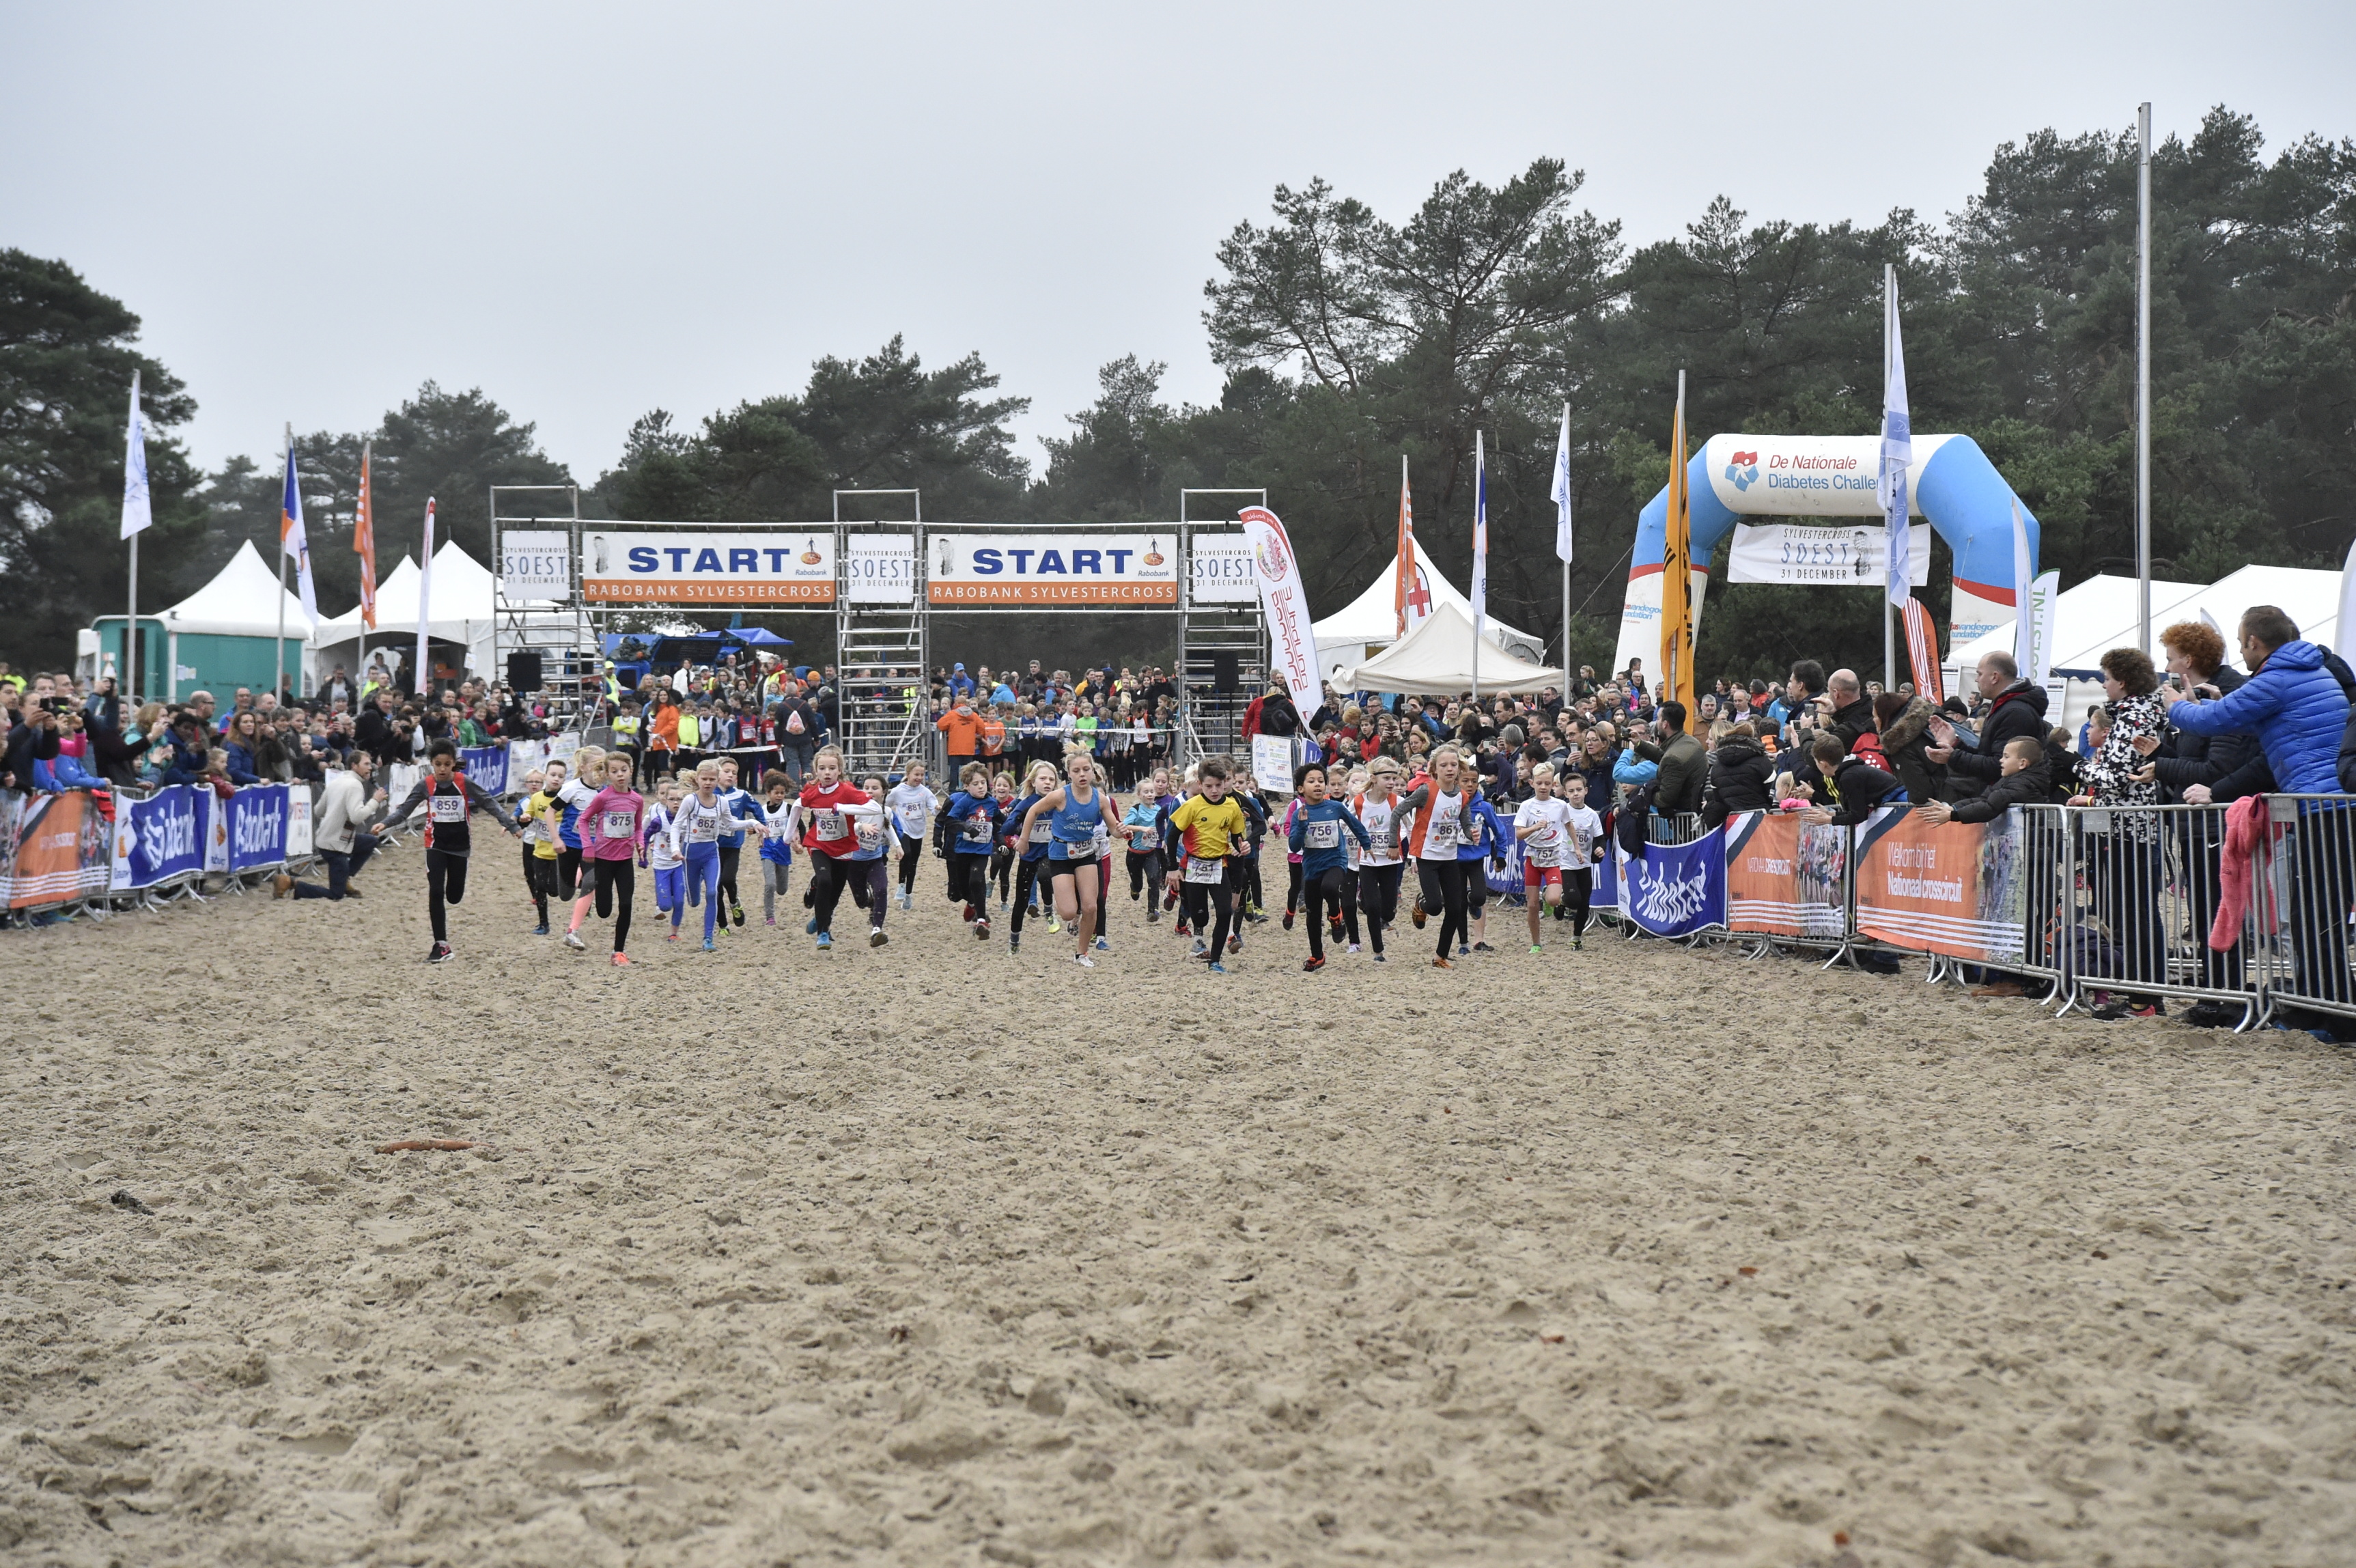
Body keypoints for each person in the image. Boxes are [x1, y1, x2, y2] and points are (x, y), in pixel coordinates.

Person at [379, 739, 520, 964]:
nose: (443, 769)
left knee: (454, 897)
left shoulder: (464, 782)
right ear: (432, 764)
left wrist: (511, 825)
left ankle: (446, 926)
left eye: (447, 764)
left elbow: (489, 803)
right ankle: (441, 945)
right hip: (435, 844)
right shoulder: (426, 785)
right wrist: (385, 823)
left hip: (460, 846)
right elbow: (405, 810)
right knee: (436, 891)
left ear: (454, 763)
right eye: (438, 764)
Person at [1018, 750, 1119, 966]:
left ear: (1093, 772)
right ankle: (1067, 902)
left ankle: (1082, 954)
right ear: (1069, 773)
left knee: (1091, 907)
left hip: (1086, 854)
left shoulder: (1101, 800)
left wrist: (1123, 831)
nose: (1082, 774)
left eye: (1086, 769)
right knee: (1068, 912)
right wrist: (1024, 840)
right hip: (1061, 856)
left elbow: (1114, 829)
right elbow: (1033, 811)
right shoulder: (1060, 796)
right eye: (1076, 771)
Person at [783, 744, 882, 951]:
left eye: (832, 768)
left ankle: (820, 918)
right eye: (822, 768)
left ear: (839, 770)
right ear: (816, 770)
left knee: (835, 894)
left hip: (844, 848)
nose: (827, 773)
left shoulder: (847, 791)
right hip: (819, 844)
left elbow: (875, 808)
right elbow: (798, 806)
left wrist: (843, 808)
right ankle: (823, 933)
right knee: (825, 881)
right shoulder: (812, 791)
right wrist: (788, 835)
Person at [664, 759, 768, 951]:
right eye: (704, 779)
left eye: (712, 779)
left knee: (713, 892)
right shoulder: (690, 801)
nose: (708, 783)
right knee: (694, 901)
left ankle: (708, 938)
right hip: (690, 854)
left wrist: (753, 823)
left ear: (717, 779)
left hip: (711, 853)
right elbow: (677, 825)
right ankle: (694, 898)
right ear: (698, 779)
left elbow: (731, 824)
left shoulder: (722, 802)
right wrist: (675, 849)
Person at [563, 751, 647, 966]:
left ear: (631, 771)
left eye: (624, 770)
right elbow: (584, 820)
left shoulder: (637, 800)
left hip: (625, 860)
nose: (620, 775)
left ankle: (618, 951)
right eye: (614, 771)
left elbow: (638, 827)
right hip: (603, 860)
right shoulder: (603, 798)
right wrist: (588, 847)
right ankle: (594, 901)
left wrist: (641, 843)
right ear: (608, 775)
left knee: (626, 904)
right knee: (604, 910)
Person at [1167, 755, 1250, 972]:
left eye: (1219, 786)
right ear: (1200, 784)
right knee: (1200, 916)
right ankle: (1197, 933)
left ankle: (1215, 960)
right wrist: (1172, 868)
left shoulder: (1232, 806)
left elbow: (1237, 838)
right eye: (1209, 786)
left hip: (1218, 866)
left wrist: (1243, 846)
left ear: (1225, 784)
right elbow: (1172, 835)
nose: (1214, 791)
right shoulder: (1192, 806)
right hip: (1194, 866)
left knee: (1224, 912)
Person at [271, 751, 387, 902]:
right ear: (354, 766)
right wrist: (375, 801)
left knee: (370, 841)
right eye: (366, 764)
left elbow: (318, 811)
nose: (370, 768)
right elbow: (357, 817)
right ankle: (291, 883)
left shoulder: (337, 781)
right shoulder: (355, 785)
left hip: (332, 839)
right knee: (336, 894)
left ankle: (345, 878)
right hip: (335, 845)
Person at [1286, 762, 1370, 972]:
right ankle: (1317, 956)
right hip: (1312, 867)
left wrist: (1366, 844)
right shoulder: (1299, 814)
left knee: (1330, 888)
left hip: (1336, 861)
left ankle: (1335, 916)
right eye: (1311, 781)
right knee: (1313, 915)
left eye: (1321, 781)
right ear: (1301, 789)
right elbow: (1294, 846)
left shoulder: (1335, 807)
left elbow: (1355, 825)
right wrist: (1303, 825)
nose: (1318, 785)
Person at [1514, 763, 1577, 952]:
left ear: (1553, 785)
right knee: (1532, 905)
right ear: (1532, 783)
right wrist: (1534, 827)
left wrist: (1577, 848)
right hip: (1533, 859)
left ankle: (1548, 899)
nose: (1543, 787)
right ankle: (1536, 943)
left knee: (1553, 899)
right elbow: (1519, 834)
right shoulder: (1527, 806)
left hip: (1553, 859)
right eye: (1540, 783)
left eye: (1547, 783)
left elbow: (1569, 825)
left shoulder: (1560, 805)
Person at [942, 761, 1002, 936]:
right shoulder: (964, 802)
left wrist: (1016, 828)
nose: (981, 787)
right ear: (967, 786)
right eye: (976, 784)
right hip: (963, 850)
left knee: (976, 880)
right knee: (963, 887)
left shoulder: (992, 802)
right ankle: (971, 903)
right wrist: (966, 827)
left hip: (982, 850)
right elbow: (950, 821)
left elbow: (999, 821)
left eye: (983, 782)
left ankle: (981, 920)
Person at [884, 763, 937, 911]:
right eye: (916, 775)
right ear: (908, 774)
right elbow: (886, 804)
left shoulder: (924, 792)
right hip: (904, 829)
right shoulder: (898, 791)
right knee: (906, 854)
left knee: (913, 863)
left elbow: (933, 806)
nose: (919, 778)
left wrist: (937, 809)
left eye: (922, 775)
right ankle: (901, 884)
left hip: (918, 831)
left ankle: (908, 894)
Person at [1649, 702, 1707, 819]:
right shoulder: (1691, 741)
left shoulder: (1673, 759)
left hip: (1685, 819)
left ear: (1665, 724)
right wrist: (1639, 745)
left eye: (1659, 719)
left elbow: (1665, 799)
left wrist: (1644, 795)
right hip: (1695, 812)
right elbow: (1663, 755)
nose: (1657, 722)